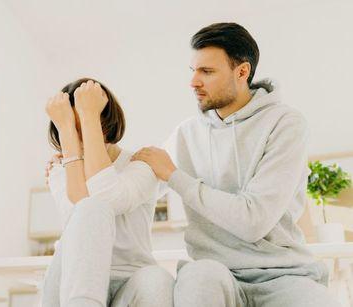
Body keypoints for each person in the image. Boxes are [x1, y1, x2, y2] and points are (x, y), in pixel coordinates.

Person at [132, 23, 340, 307]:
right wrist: (72, 158)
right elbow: (131, 185)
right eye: (192, 71)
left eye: (207, 72)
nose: (193, 82)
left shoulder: (285, 124)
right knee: (198, 276)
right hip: (214, 274)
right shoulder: (186, 133)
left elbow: (254, 221)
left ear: (242, 72)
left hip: (283, 277)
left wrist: (174, 177)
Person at [42, 78, 174, 307]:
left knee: (159, 278)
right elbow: (82, 210)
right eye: (70, 127)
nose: (78, 135)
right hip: (72, 280)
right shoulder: (58, 169)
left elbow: (106, 197)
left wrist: (89, 115)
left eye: (84, 123)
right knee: (89, 209)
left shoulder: (141, 164)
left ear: (104, 122)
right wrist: (68, 139)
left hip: (131, 281)